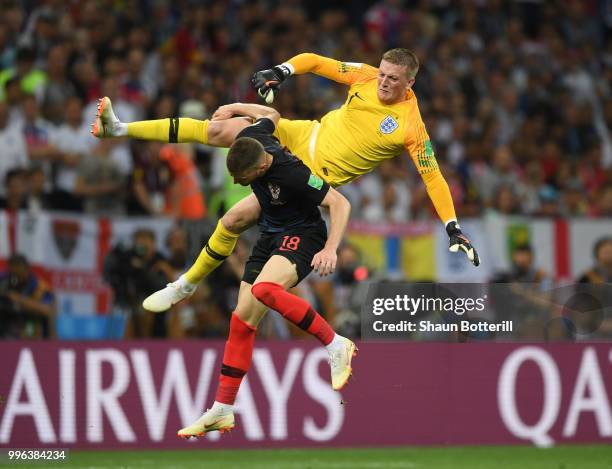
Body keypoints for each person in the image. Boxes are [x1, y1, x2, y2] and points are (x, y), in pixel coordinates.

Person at [92, 48, 479, 308]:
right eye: (383, 74)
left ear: (410, 83)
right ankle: (119, 128)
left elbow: (433, 178)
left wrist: (452, 226)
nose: (383, 82)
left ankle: (186, 284)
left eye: (394, 80)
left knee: (233, 220)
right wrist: (281, 71)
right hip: (301, 135)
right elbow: (312, 60)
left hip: (304, 177)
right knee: (217, 131)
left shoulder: (411, 127)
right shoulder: (363, 77)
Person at [156, 104, 356, 439]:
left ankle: (335, 343)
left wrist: (330, 248)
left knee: (264, 290)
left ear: (262, 165)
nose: (237, 182)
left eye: (243, 178)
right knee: (242, 320)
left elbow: (340, 203)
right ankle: (222, 409)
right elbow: (272, 114)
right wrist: (234, 107)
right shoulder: (254, 137)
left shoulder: (291, 173)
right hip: (271, 235)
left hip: (303, 236)